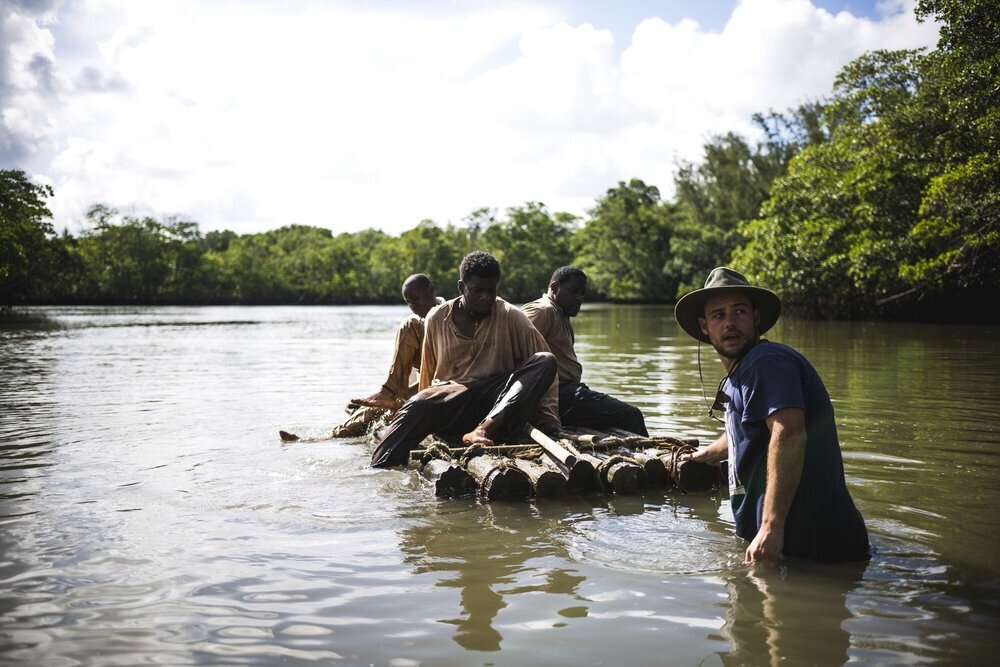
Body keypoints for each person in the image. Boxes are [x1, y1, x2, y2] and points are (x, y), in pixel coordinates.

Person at [674, 266, 869, 563]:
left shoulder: (765, 361)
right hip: (794, 547)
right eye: (718, 315)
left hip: (811, 549)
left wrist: (770, 527)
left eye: (739, 312)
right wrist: (707, 455)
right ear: (704, 326)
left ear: (756, 317)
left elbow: (788, 433)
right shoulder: (742, 374)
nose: (729, 323)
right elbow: (743, 432)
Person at [370, 251, 560, 468]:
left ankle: (482, 430)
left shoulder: (511, 316)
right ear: (461, 288)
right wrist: (424, 412)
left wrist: (549, 420)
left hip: (496, 404)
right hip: (453, 401)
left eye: (491, 291)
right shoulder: (436, 317)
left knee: (545, 360)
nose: (485, 298)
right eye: (477, 291)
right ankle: (377, 467)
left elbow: (544, 374)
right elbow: (427, 374)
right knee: (417, 404)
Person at [521, 266, 649, 436]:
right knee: (631, 415)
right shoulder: (543, 310)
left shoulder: (560, 312)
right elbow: (515, 350)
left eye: (582, 293)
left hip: (566, 393)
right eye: (574, 291)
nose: (579, 298)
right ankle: (651, 452)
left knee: (619, 416)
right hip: (557, 397)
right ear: (555, 287)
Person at [331, 274, 442, 438]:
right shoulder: (419, 323)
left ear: (430, 290)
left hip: (442, 385)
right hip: (421, 384)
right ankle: (333, 435)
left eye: (416, 299)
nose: (413, 305)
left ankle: (390, 394)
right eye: (408, 302)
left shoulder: (448, 316)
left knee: (410, 323)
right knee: (383, 404)